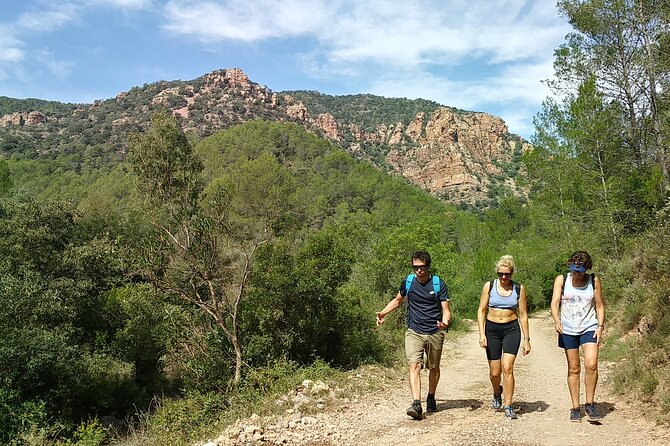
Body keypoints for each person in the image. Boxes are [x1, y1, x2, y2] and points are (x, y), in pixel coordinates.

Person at [376, 251, 451, 420]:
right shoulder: (408, 282)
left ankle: (431, 396)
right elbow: (397, 301)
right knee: (414, 365)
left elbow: (446, 309)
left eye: (421, 267)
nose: (418, 271)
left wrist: (445, 322)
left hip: (434, 332)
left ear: (427, 267)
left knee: (434, 367)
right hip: (414, 331)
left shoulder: (438, 284)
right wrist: (382, 314)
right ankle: (416, 403)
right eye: (415, 267)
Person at [550, 250, 605, 422]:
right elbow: (554, 302)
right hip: (568, 329)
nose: (576, 274)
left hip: (589, 326)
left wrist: (600, 326)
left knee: (591, 363)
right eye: (574, 270)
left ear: (586, 269)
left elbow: (600, 305)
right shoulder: (562, 280)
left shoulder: (593, 280)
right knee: (574, 367)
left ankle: (590, 404)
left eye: (580, 272)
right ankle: (575, 407)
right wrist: (556, 319)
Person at [477, 255, 530, 419]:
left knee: (508, 367)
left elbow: (523, 314)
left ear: (512, 273)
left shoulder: (519, 288)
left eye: (507, 274)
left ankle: (508, 405)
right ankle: (496, 391)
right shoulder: (489, 286)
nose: (504, 277)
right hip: (492, 330)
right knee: (495, 372)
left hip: (511, 329)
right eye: (501, 274)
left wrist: (527, 340)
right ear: (497, 273)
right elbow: (481, 310)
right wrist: (481, 333)